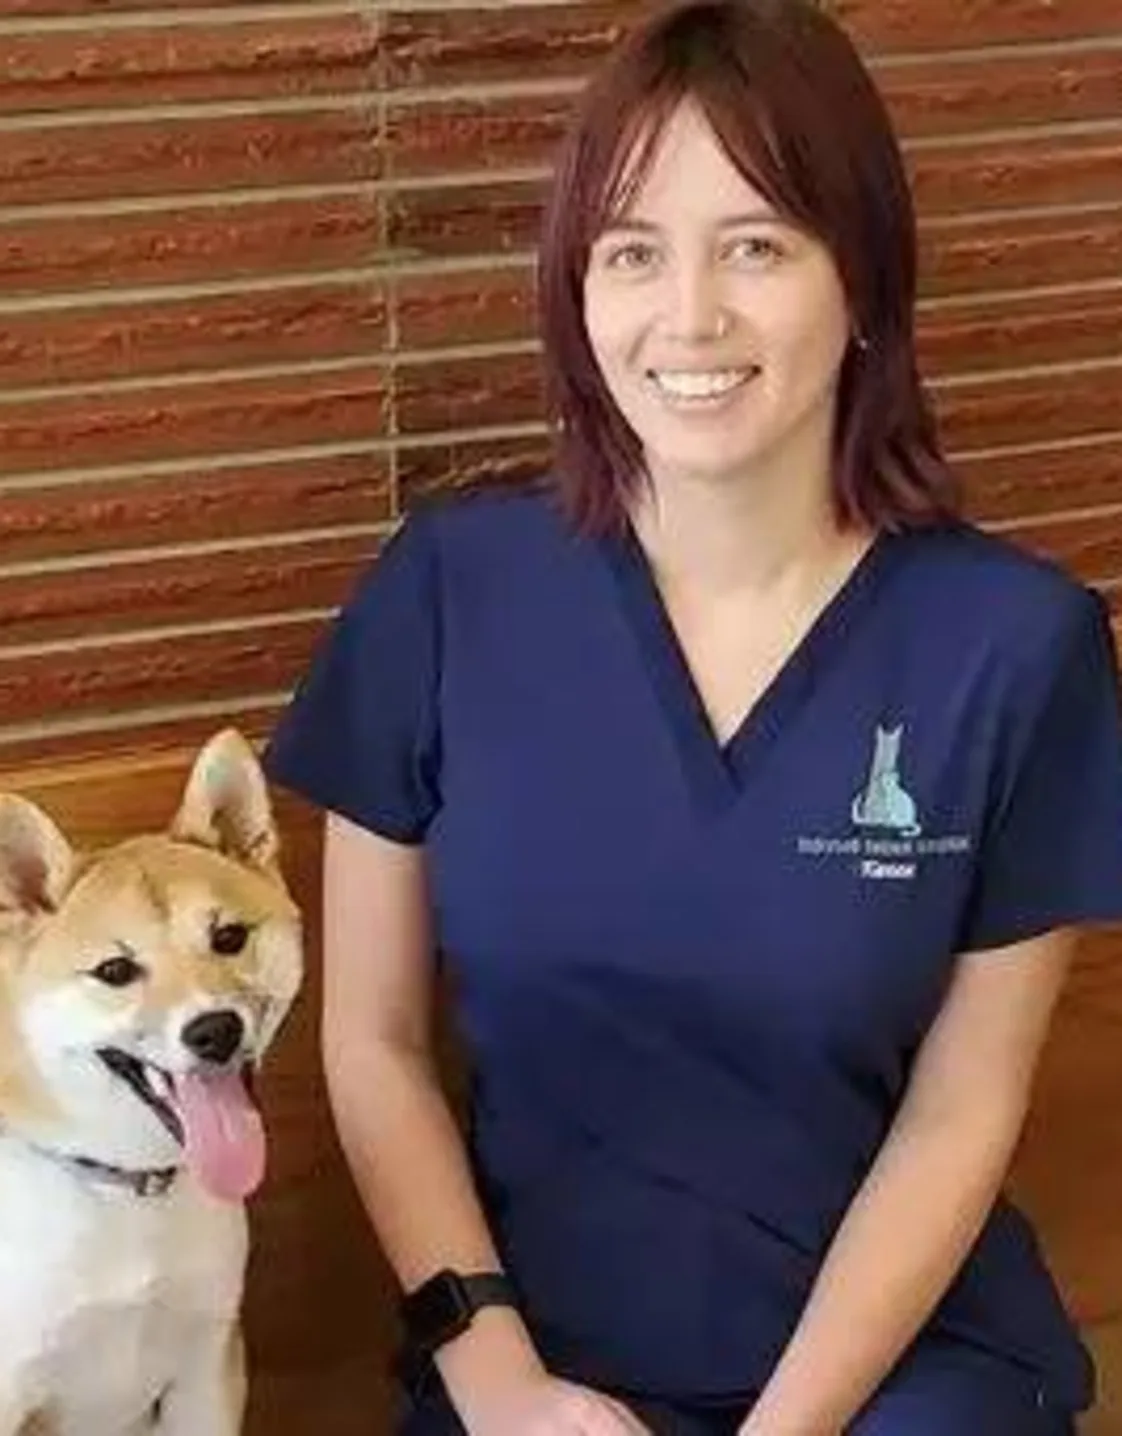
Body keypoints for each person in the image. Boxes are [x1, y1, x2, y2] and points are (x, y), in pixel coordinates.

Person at [262, 1, 1122, 1432]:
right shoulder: (448, 591)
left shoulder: (1013, 647)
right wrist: (501, 1383)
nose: (689, 317)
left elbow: (959, 1116)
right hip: (530, 1375)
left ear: (861, 281)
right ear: (574, 291)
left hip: (891, 1381)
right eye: (632, 252)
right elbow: (374, 1045)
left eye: (756, 246)